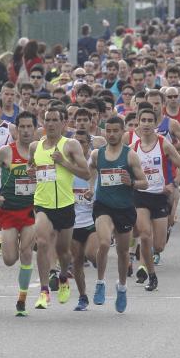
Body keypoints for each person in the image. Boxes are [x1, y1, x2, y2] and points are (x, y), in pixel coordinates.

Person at [28, 106, 91, 309]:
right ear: (43, 123)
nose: (51, 124)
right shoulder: (35, 146)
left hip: (65, 205)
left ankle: (63, 277)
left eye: (55, 120)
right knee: (43, 241)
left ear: (63, 123)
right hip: (42, 204)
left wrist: (63, 162)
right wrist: (31, 172)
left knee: (64, 252)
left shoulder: (70, 145)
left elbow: (86, 173)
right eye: (48, 120)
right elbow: (31, 166)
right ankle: (44, 291)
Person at [89, 116, 148, 312]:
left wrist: (130, 182)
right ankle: (100, 283)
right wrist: (91, 187)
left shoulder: (130, 155)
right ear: (104, 132)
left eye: (116, 131)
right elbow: (90, 170)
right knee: (104, 242)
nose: (112, 135)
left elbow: (144, 182)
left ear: (123, 132)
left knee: (123, 252)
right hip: (103, 206)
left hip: (124, 208)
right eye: (109, 131)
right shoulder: (98, 154)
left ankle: (122, 287)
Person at [0, 111, 38, 317]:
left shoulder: (41, 151)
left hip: (31, 210)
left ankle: (21, 300)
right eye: (21, 127)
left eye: (29, 127)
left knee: (25, 252)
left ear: (34, 129)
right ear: (16, 129)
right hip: (8, 211)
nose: (25, 131)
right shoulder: (6, 151)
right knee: (9, 259)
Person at [130, 108, 180, 290]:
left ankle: (148, 255)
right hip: (140, 197)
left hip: (159, 197)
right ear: (138, 124)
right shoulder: (133, 148)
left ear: (156, 124)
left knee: (159, 245)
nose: (146, 124)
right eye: (143, 120)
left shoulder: (163, 144)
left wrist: (173, 184)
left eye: (150, 121)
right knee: (145, 235)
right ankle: (151, 274)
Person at [70, 109, 106, 311]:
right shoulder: (67, 166)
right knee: (76, 260)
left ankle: (100, 282)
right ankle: (83, 296)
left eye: (83, 143)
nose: (79, 146)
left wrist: (95, 193)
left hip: (93, 219)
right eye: (75, 143)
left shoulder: (96, 163)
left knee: (92, 253)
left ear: (88, 145)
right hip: (73, 221)